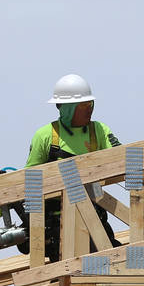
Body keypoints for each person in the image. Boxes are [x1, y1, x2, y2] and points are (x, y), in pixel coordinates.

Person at [23, 73, 122, 262]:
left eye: (90, 104)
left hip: (95, 216)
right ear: (67, 109)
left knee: (110, 264)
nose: (89, 110)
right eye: (84, 106)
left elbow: (122, 158)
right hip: (58, 224)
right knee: (68, 274)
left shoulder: (99, 131)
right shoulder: (45, 136)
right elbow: (30, 182)